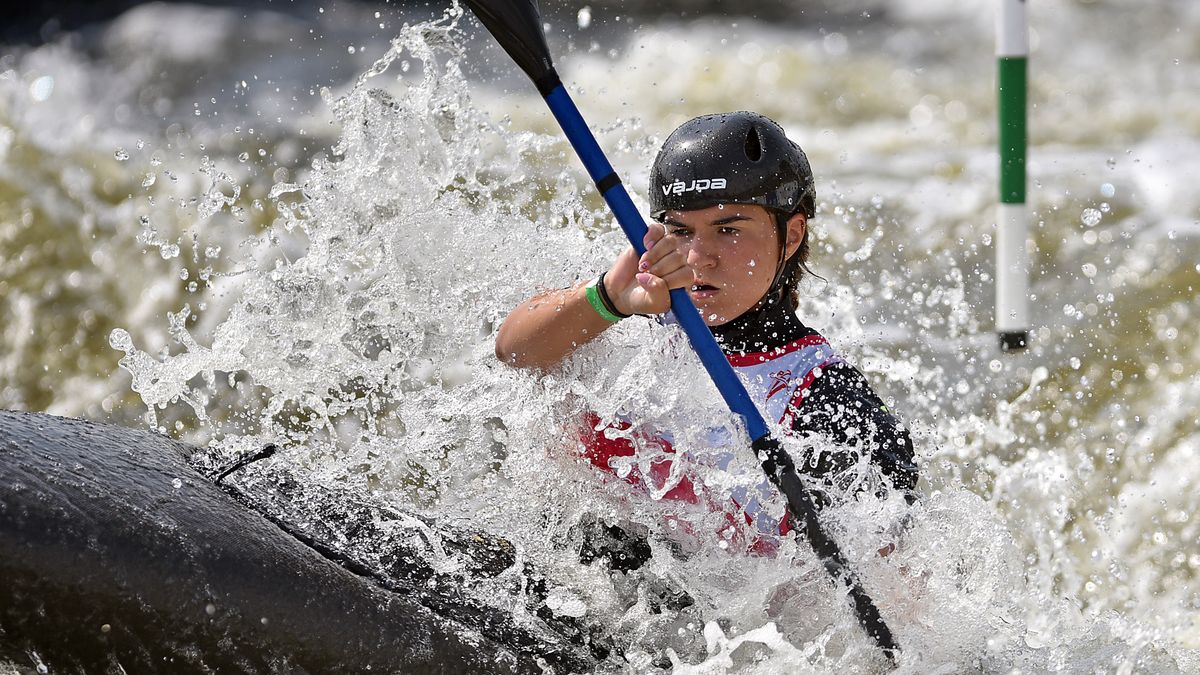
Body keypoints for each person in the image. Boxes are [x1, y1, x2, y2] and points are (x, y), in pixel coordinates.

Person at [495, 111, 918, 558]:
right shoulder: (629, 315)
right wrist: (608, 299)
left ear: (791, 236)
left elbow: (885, 577)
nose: (698, 258)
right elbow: (513, 350)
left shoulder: (829, 402)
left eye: (728, 230)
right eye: (680, 231)